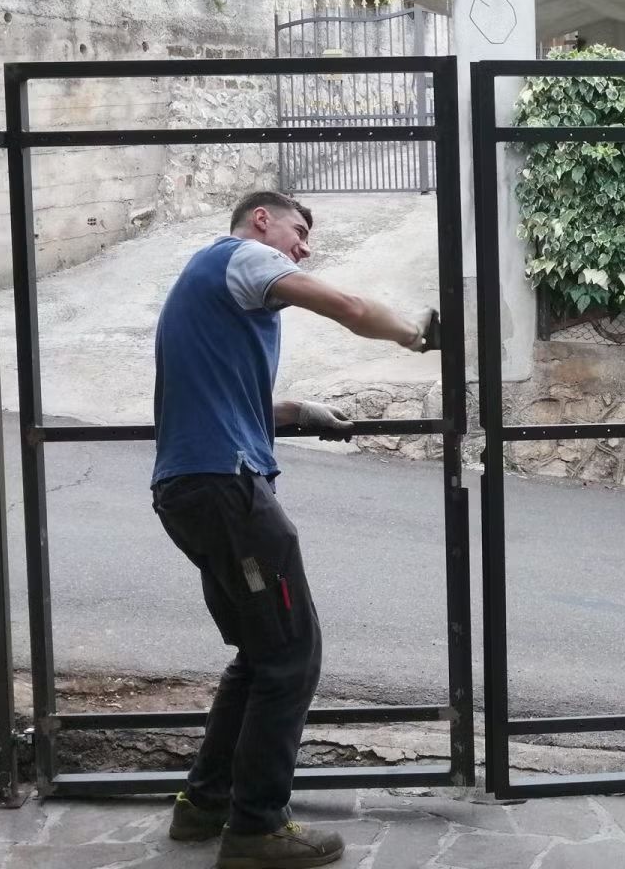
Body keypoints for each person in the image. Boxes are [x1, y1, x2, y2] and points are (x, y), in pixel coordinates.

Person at [152, 191, 434, 869]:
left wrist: (304, 409)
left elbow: (232, 400)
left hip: (191, 489)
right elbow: (348, 308)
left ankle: (204, 805)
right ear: (261, 220)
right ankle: (256, 829)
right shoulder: (242, 257)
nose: (304, 248)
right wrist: (416, 333)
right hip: (226, 488)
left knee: (259, 654)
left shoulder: (208, 286)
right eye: (299, 232)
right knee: (290, 657)